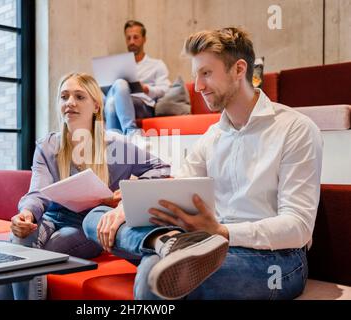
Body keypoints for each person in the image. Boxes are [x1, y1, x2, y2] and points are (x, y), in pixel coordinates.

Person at [82, 27, 323, 300]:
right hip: (204, 242)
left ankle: (166, 249)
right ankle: (165, 242)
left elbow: (299, 226)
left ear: (239, 69)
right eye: (196, 75)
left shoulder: (296, 129)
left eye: (206, 73)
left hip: (277, 260)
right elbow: (178, 186)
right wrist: (127, 207)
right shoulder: (212, 136)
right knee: (97, 217)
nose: (197, 86)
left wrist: (221, 231)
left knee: (153, 274)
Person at [0, 72, 170, 300]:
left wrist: (126, 194)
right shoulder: (47, 146)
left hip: (86, 226)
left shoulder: (116, 146)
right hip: (49, 218)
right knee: (18, 240)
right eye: (64, 97)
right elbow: (37, 191)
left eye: (79, 96)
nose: (70, 103)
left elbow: (161, 169)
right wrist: (26, 214)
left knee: (28, 254)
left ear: (96, 105)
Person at [104, 20, 171, 135]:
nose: (132, 42)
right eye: (128, 38)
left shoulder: (156, 64)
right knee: (111, 100)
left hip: (143, 105)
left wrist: (146, 89)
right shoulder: (118, 66)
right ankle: (129, 135)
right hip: (117, 102)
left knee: (117, 91)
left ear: (144, 39)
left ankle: (115, 141)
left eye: (136, 37)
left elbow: (166, 89)